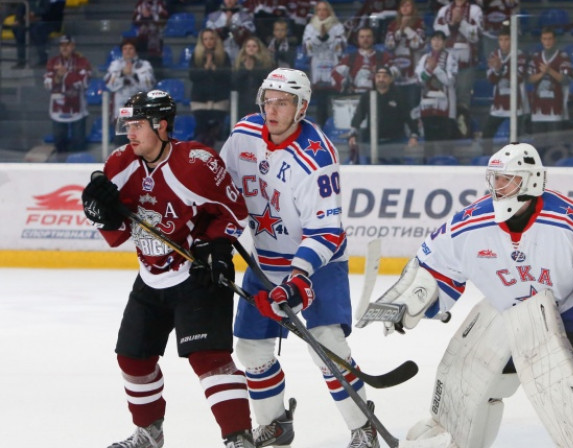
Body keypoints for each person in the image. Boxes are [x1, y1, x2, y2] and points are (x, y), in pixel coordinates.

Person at [374, 142, 573, 448]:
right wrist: (414, 303)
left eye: (507, 178)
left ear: (531, 180)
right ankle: (450, 431)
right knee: (464, 368)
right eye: (495, 178)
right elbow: (433, 270)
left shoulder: (570, 222)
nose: (498, 186)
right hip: (506, 312)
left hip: (566, 318)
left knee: (558, 384)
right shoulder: (470, 223)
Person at [79, 89, 255, 448]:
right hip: (151, 278)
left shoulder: (197, 164)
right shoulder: (119, 165)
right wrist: (102, 215)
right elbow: (116, 237)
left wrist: (217, 248)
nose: (130, 133)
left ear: (161, 126)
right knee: (132, 357)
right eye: (128, 124)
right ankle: (150, 433)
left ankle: (239, 439)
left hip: (198, 274)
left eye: (138, 125)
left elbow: (235, 214)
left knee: (210, 360)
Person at [219, 68, 379, 448]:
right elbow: (220, 187)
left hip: (318, 265)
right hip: (264, 262)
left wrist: (299, 277)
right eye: (268, 101)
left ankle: (364, 427)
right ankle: (275, 424)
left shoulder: (316, 156)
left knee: (327, 345)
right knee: (250, 348)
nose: (272, 109)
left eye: (283, 102)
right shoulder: (243, 134)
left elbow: (326, 231)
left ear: (301, 107)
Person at [347, 65, 420, 163]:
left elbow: (409, 118)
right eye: (378, 76)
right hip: (372, 142)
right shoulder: (367, 96)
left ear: (390, 79)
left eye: (384, 76)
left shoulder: (399, 96)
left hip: (394, 142)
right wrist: (353, 134)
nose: (381, 79)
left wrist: (413, 136)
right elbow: (358, 116)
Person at [432, 0, 483, 137]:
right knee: (445, 99)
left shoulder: (475, 10)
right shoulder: (443, 11)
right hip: (445, 64)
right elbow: (437, 34)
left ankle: (462, 133)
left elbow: (476, 35)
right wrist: (452, 24)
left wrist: (461, 23)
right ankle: (446, 134)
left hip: (466, 64)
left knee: (463, 100)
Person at [43, 34, 92, 157]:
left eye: (68, 45)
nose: (64, 48)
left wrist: (66, 74)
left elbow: (83, 82)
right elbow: (48, 84)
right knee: (59, 143)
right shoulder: (52, 62)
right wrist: (58, 76)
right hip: (58, 108)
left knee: (79, 143)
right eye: (62, 45)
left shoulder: (82, 61)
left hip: (77, 108)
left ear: (73, 46)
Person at [104, 37, 157, 146]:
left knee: (140, 147)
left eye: (130, 48)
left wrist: (133, 75)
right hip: (120, 114)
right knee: (121, 148)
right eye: (125, 48)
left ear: (135, 50)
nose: (127, 51)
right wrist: (122, 74)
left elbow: (149, 86)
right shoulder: (115, 65)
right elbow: (109, 84)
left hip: (139, 114)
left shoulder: (144, 65)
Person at [481, 26, 528, 147]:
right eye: (501, 40)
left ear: (512, 40)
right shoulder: (494, 55)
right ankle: (488, 160)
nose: (504, 43)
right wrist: (497, 70)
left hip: (516, 105)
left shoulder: (520, 55)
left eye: (507, 39)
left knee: (515, 139)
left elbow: (518, 77)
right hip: (499, 104)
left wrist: (500, 68)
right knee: (486, 134)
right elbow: (491, 80)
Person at [302, 0, 347, 125]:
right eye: (319, 10)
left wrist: (326, 37)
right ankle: (321, 128)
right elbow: (306, 47)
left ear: (329, 11)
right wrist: (320, 38)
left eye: (324, 9)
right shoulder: (310, 27)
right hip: (318, 67)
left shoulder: (337, 26)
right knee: (321, 103)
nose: (322, 12)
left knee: (334, 101)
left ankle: (336, 127)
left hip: (333, 64)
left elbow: (342, 47)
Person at [189, 28, 232, 149]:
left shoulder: (224, 56)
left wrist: (214, 70)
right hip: (199, 100)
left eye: (211, 38)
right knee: (201, 132)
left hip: (219, 99)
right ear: (202, 41)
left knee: (217, 133)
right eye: (206, 39)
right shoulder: (196, 56)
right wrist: (205, 69)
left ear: (216, 40)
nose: (209, 42)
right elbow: (192, 76)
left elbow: (228, 77)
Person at [526, 27, 573, 138]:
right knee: (539, 143)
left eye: (550, 39)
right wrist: (542, 74)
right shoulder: (536, 57)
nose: (547, 42)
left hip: (555, 107)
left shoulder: (563, 57)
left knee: (554, 142)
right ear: (541, 40)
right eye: (544, 39)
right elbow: (529, 78)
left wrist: (549, 71)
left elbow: (566, 80)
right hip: (538, 108)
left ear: (554, 40)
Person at [415, 30, 458, 148]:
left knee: (446, 143)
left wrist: (436, 69)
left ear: (444, 42)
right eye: (434, 39)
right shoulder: (424, 58)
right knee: (429, 143)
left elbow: (450, 81)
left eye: (440, 39)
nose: (436, 42)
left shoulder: (451, 57)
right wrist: (429, 70)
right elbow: (419, 80)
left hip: (445, 106)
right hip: (427, 105)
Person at [384, 0, 426, 110]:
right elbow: (389, 45)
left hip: (413, 72)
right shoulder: (392, 25)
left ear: (413, 7)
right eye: (402, 5)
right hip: (397, 71)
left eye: (408, 5)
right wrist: (399, 30)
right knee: (397, 108)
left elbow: (418, 44)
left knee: (412, 107)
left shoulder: (419, 23)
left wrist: (406, 29)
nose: (405, 8)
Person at [332, 26, 395, 96]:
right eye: (362, 37)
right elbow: (335, 73)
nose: (365, 39)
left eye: (368, 36)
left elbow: (395, 71)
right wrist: (344, 83)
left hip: (379, 96)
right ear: (357, 39)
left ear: (373, 38)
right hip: (356, 98)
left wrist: (381, 71)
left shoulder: (383, 56)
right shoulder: (350, 58)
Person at [12, 0, 65, 68]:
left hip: (49, 22)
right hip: (31, 21)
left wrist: (35, 15)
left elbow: (51, 11)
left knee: (37, 30)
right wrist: (18, 20)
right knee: (18, 29)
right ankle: (21, 61)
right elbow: (21, 7)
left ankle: (43, 59)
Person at [232, 36, 276, 118]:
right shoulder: (239, 64)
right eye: (248, 46)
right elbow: (234, 84)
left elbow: (268, 83)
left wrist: (256, 66)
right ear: (244, 49)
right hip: (243, 104)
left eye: (254, 46)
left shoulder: (266, 64)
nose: (251, 48)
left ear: (259, 48)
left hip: (261, 104)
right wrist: (245, 70)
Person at [133, 0, 170, 69]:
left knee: (155, 64)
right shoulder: (140, 4)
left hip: (156, 39)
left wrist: (151, 16)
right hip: (142, 39)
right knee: (142, 62)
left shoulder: (160, 3)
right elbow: (134, 20)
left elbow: (164, 20)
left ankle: (157, 77)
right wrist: (142, 16)